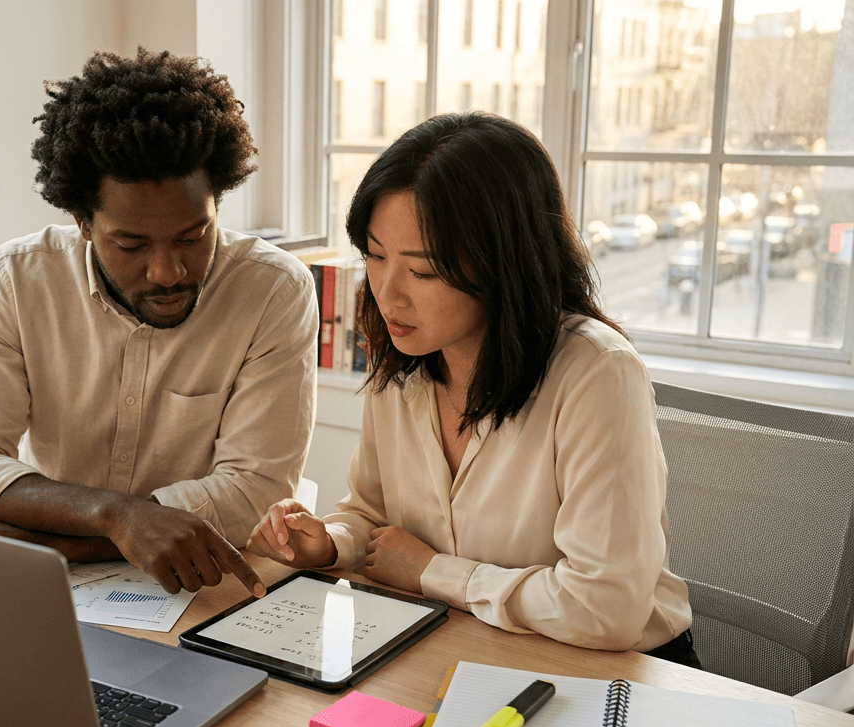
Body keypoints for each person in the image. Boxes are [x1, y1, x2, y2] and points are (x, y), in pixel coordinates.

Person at [245, 112, 696, 664]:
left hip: (614, 672)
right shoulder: (406, 359)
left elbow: (605, 607)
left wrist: (432, 572)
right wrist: (329, 543)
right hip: (461, 648)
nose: (387, 294)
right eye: (375, 256)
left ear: (503, 264)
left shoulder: (596, 373)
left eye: (423, 271)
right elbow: (373, 518)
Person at [0, 49, 318, 599]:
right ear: (82, 221)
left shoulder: (273, 289)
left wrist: (65, 543)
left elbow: (255, 493)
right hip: (51, 592)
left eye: (193, 236)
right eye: (132, 245)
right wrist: (113, 515)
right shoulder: (17, 278)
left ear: (217, 203)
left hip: (203, 590)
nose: (168, 272)